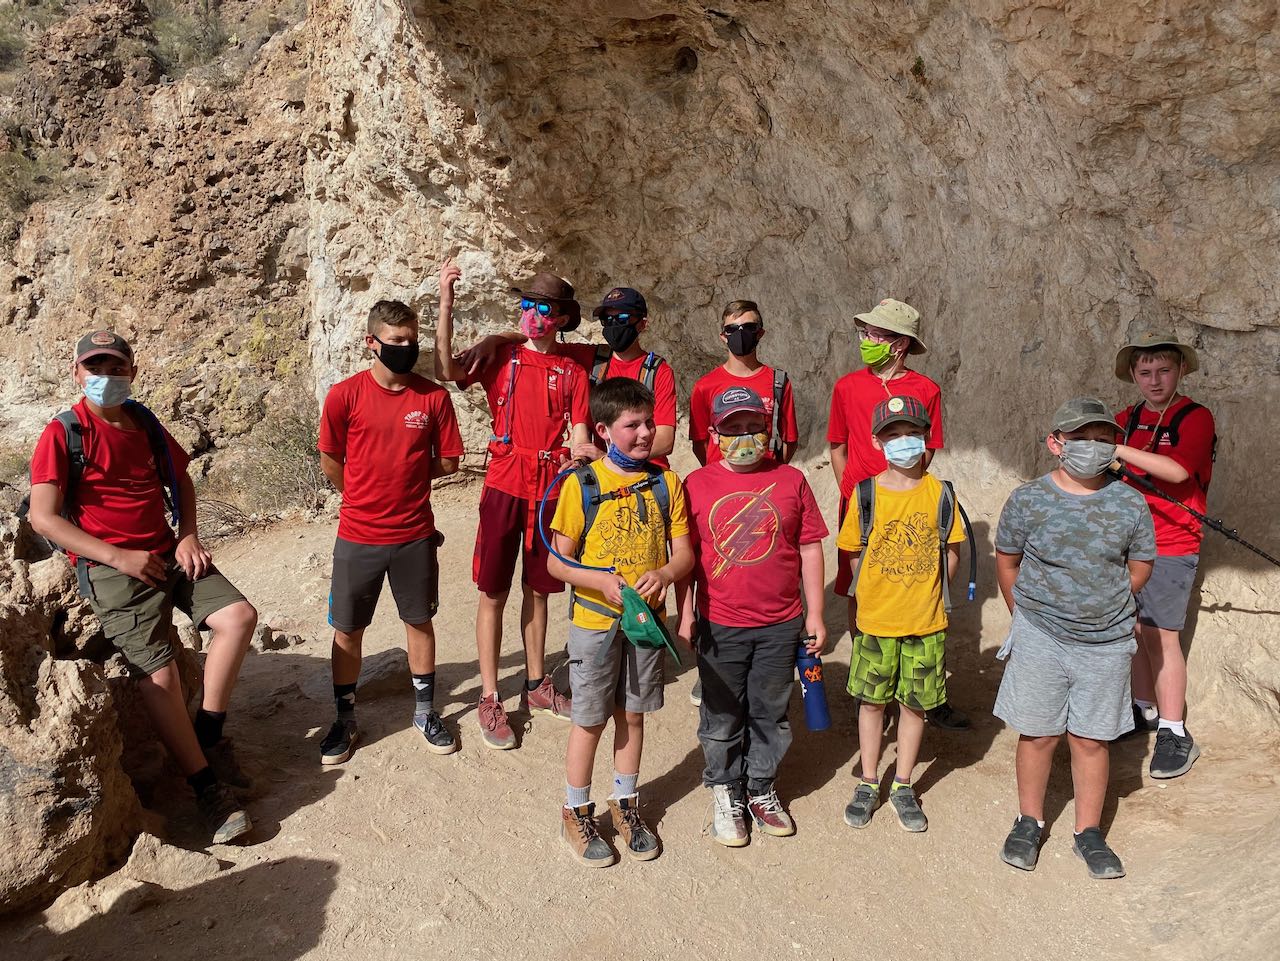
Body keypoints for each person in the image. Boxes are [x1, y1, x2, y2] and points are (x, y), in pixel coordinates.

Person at [27, 331, 259, 844]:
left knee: (238, 618)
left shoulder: (145, 423)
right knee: (159, 674)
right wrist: (117, 556)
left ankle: (210, 735)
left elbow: (182, 479)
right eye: (95, 368)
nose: (104, 378)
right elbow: (43, 517)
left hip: (164, 551)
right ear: (76, 374)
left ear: (131, 373)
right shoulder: (65, 432)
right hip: (110, 566)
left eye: (114, 368)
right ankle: (206, 790)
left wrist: (188, 535)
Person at [994, 397, 1156, 880]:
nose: (1093, 447)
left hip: (1105, 641)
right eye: (1081, 438)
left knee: (1092, 739)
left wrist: (1106, 603)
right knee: (1039, 733)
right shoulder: (1028, 500)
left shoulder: (1129, 501)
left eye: (1103, 439)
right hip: (1041, 634)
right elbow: (1007, 561)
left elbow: (1141, 563)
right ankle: (1029, 821)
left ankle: (1089, 832)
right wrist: (1023, 617)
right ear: (1056, 443)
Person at [435, 260, 590, 749]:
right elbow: (448, 368)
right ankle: (488, 695)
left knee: (539, 590)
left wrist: (580, 453)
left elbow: (580, 430)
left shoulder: (572, 369)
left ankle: (536, 684)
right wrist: (445, 303)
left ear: (561, 318)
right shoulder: (500, 358)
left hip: (548, 490)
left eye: (544, 309)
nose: (533, 316)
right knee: (492, 592)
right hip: (503, 483)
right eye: (527, 306)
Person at [546, 377, 694, 867]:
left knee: (632, 713)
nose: (646, 433)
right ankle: (575, 810)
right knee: (588, 719)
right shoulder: (582, 485)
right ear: (606, 430)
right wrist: (599, 581)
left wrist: (666, 572)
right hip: (594, 622)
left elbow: (685, 555)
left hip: (644, 623)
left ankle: (626, 806)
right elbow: (555, 562)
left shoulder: (666, 484)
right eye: (633, 425)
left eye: (649, 422)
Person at [316, 300, 465, 765]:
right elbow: (331, 458)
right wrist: (361, 495)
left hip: (414, 533)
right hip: (358, 534)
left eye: (411, 340)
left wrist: (406, 478)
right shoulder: (344, 395)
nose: (405, 348)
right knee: (347, 628)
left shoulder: (433, 398)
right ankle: (344, 718)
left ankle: (424, 711)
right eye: (396, 341)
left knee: (419, 621)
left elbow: (450, 460)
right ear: (371, 343)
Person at [677, 386, 828, 846]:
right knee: (723, 713)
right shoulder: (697, 484)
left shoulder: (791, 480)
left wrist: (816, 614)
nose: (745, 436)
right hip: (720, 623)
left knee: (770, 711)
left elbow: (809, 547)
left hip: (781, 624)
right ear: (714, 433)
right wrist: (685, 614)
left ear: (769, 429)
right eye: (733, 428)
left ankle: (760, 787)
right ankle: (725, 787)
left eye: (753, 427)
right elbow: (685, 557)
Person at [827, 298, 967, 731]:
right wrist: (856, 496)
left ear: (901, 343)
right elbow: (837, 445)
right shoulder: (847, 386)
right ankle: (872, 682)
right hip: (864, 508)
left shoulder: (926, 390)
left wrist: (906, 495)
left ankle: (919, 686)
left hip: (909, 507)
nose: (867, 341)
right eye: (866, 333)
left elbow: (929, 450)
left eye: (876, 334)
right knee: (858, 589)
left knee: (914, 585)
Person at [835, 395, 963, 834]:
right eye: (893, 434)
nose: (904, 442)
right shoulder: (866, 493)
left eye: (912, 433)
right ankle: (869, 780)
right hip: (876, 623)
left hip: (926, 624)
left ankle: (903, 783)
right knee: (872, 703)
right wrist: (873, 597)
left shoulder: (940, 493)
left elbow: (951, 554)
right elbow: (852, 554)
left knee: (915, 704)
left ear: (927, 439)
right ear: (876, 441)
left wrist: (926, 596)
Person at [1112, 331, 1212, 779]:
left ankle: (1175, 731)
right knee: (1132, 630)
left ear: (1181, 371)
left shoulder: (1195, 417)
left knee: (1160, 635)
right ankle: (1142, 710)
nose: (1154, 380)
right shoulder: (1126, 419)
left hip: (1172, 541)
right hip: (1127, 541)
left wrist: (1111, 448)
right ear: (1133, 374)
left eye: (1163, 371)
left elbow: (1176, 471)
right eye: (1145, 372)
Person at [452, 286, 679, 467]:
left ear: (643, 324)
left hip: (647, 471)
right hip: (605, 472)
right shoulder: (593, 358)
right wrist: (495, 339)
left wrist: (610, 458)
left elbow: (665, 441)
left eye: (621, 318)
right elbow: (538, 342)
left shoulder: (657, 371)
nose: (613, 325)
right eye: (606, 320)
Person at [688, 299, 799, 467]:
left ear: (760, 333)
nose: (740, 334)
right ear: (723, 336)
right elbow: (700, 443)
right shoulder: (704, 387)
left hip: (765, 478)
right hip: (722, 482)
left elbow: (789, 440)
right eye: (731, 329)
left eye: (749, 328)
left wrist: (772, 469)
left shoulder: (778, 382)